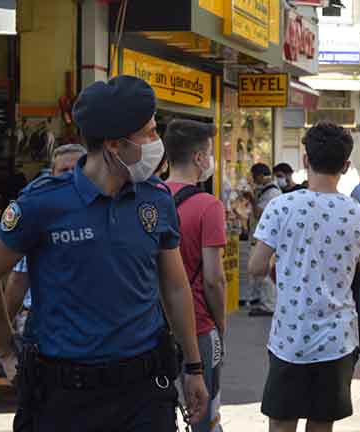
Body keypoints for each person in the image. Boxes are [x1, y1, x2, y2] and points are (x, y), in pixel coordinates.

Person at [0, 75, 208, 431]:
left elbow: (174, 288)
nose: (157, 143)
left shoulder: (156, 199)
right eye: (148, 133)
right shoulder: (44, 201)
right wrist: (5, 351)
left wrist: (193, 368)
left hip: (142, 392)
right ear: (114, 145)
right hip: (63, 397)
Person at [248, 121, 360, 432]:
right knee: (322, 423)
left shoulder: (280, 207)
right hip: (337, 340)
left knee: (282, 423)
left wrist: (283, 267)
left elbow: (255, 267)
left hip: (289, 337)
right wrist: (354, 262)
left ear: (306, 160)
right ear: (347, 165)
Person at [163, 119, 227, 432]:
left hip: (151, 327)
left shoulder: (144, 198)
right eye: (210, 153)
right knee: (204, 412)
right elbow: (214, 279)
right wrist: (221, 325)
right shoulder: (208, 206)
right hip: (199, 326)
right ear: (200, 159)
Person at [5, 144, 87, 338]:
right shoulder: (37, 212)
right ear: (52, 173)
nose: (70, 176)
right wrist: (4, 332)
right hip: (46, 322)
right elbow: (18, 279)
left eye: (76, 170)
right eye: (64, 170)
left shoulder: (103, 211)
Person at [248, 163, 282, 316]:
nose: (254, 180)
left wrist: (251, 199)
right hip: (263, 237)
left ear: (261, 176)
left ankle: (269, 305)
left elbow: (259, 214)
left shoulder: (272, 193)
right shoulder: (267, 191)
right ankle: (262, 302)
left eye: (255, 177)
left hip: (267, 240)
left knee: (265, 272)